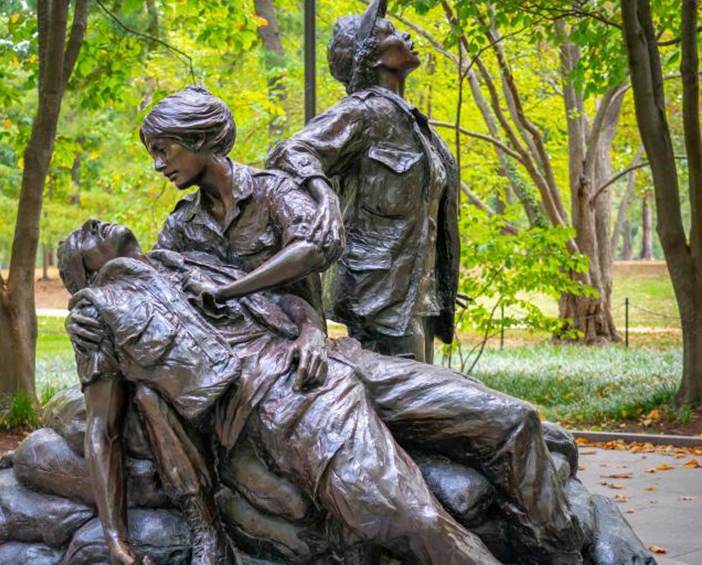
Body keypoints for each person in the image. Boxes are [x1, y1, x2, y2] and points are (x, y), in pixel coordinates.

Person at [70, 86, 584, 564]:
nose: (159, 165)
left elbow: (317, 248)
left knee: (513, 420)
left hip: (330, 353)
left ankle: (559, 551)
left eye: (166, 149)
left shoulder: (274, 191)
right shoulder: (178, 232)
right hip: (286, 386)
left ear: (202, 139)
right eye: (153, 152)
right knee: (394, 507)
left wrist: (292, 320)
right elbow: (162, 353)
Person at [58, 219, 501, 565]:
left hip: (334, 361)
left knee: (505, 419)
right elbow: (103, 432)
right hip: (284, 400)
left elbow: (281, 301)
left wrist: (309, 332)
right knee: (407, 515)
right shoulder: (99, 312)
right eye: (81, 238)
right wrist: (116, 537)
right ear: (87, 275)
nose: (93, 225)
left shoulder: (184, 261)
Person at [267, 0, 459, 363]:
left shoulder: (417, 126)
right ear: (371, 57)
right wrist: (323, 194)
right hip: (380, 298)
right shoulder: (362, 111)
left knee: (423, 408)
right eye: (389, 32)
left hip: (419, 295)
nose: (404, 34)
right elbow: (289, 152)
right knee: (401, 409)